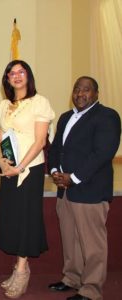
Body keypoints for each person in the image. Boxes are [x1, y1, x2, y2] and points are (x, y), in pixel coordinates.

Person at [48, 76, 121, 300]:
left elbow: (103, 153)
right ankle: (72, 278)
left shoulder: (107, 116)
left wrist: (75, 177)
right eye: (77, 89)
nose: (80, 94)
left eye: (86, 90)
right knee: (70, 239)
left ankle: (91, 289)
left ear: (96, 94)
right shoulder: (65, 117)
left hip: (90, 189)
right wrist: (55, 173)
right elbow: (55, 149)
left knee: (92, 244)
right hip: (65, 190)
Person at [0, 60, 55, 298]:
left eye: (21, 72)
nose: (17, 76)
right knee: (12, 216)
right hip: (9, 169)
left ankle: (22, 270)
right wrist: (1, 161)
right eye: (12, 73)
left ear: (28, 76)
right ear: (7, 79)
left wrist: (19, 167)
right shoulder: (3, 105)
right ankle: (19, 266)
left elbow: (40, 141)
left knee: (27, 217)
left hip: (29, 170)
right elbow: (0, 137)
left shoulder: (39, 102)